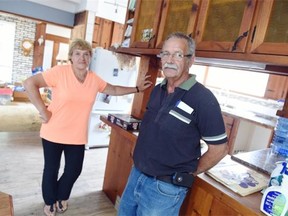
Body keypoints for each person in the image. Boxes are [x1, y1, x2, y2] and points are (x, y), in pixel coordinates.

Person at [23, 38, 152, 216]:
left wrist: (137, 89)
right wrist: (42, 110)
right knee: (51, 169)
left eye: (86, 54)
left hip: (76, 135)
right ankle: (50, 202)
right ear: (71, 57)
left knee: (74, 170)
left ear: (90, 57)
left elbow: (113, 90)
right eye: (77, 54)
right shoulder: (59, 72)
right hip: (53, 131)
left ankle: (61, 195)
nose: (82, 58)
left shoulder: (93, 79)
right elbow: (29, 83)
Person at [117, 32, 228, 216]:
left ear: (191, 60)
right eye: (165, 53)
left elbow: (220, 149)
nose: (169, 59)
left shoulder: (203, 99)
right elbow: (149, 126)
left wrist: (188, 172)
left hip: (165, 190)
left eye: (177, 54)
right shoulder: (157, 90)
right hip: (136, 175)